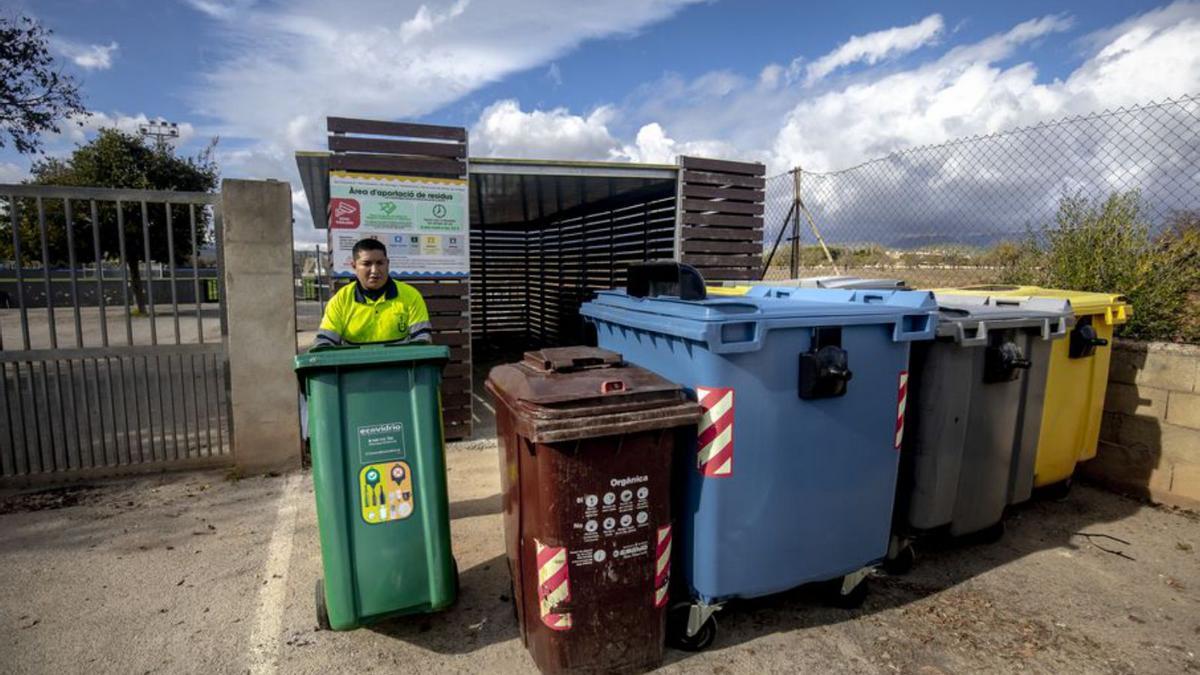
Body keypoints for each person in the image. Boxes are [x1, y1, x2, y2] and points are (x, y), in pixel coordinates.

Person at [313, 238, 433, 349]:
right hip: (355, 370)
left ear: (387, 264)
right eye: (367, 264)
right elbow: (324, 344)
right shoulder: (340, 300)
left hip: (400, 369)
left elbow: (422, 340)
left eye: (380, 263)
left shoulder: (411, 295)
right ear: (354, 266)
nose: (374, 271)